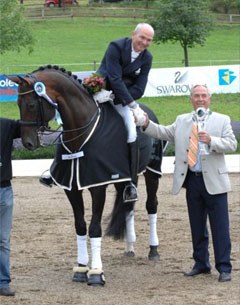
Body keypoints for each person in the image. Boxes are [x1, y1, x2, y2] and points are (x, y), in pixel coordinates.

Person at [134, 84, 237, 282]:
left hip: (215, 181)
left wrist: (212, 141)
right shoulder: (182, 120)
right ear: (191, 99)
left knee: (220, 227)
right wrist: (145, 123)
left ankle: (224, 267)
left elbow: (232, 144)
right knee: (197, 226)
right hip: (192, 180)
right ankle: (201, 263)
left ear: (209, 98)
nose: (200, 99)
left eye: (203, 95)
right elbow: (162, 132)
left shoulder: (222, 120)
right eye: (196, 95)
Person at [96, 22, 155, 203]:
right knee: (75, 115)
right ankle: (57, 169)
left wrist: (123, 100)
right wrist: (130, 101)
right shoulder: (116, 46)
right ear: (133, 35)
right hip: (101, 90)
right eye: (142, 37)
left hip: (120, 98)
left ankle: (130, 181)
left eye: (149, 40)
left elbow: (141, 88)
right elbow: (113, 77)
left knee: (131, 130)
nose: (144, 42)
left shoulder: (147, 58)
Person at [0, 118, 21, 296]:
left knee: (3, 240)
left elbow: (33, 122)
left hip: (4, 189)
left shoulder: (7, 125)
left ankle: (3, 282)